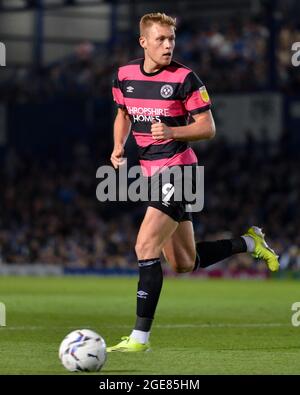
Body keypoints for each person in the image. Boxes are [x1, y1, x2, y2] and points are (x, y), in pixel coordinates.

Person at [107, 12, 279, 352]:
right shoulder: (124, 76)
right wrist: (117, 147)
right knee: (185, 263)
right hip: (150, 172)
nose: (168, 45)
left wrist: (173, 131)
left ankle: (140, 338)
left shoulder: (186, 79)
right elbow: (123, 114)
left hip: (180, 170)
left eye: (172, 39)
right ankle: (248, 242)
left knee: (144, 247)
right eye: (161, 39)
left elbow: (208, 128)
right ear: (144, 42)